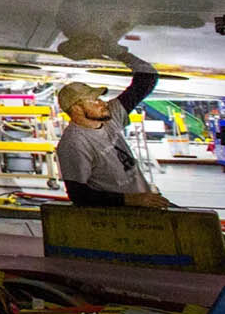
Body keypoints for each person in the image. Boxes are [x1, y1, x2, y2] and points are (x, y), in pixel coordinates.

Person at [54, 46, 168, 208]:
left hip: (145, 204)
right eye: (94, 101)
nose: (103, 103)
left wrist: (116, 52)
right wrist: (131, 200)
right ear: (76, 109)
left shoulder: (109, 118)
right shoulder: (73, 144)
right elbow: (78, 195)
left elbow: (147, 78)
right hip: (118, 214)